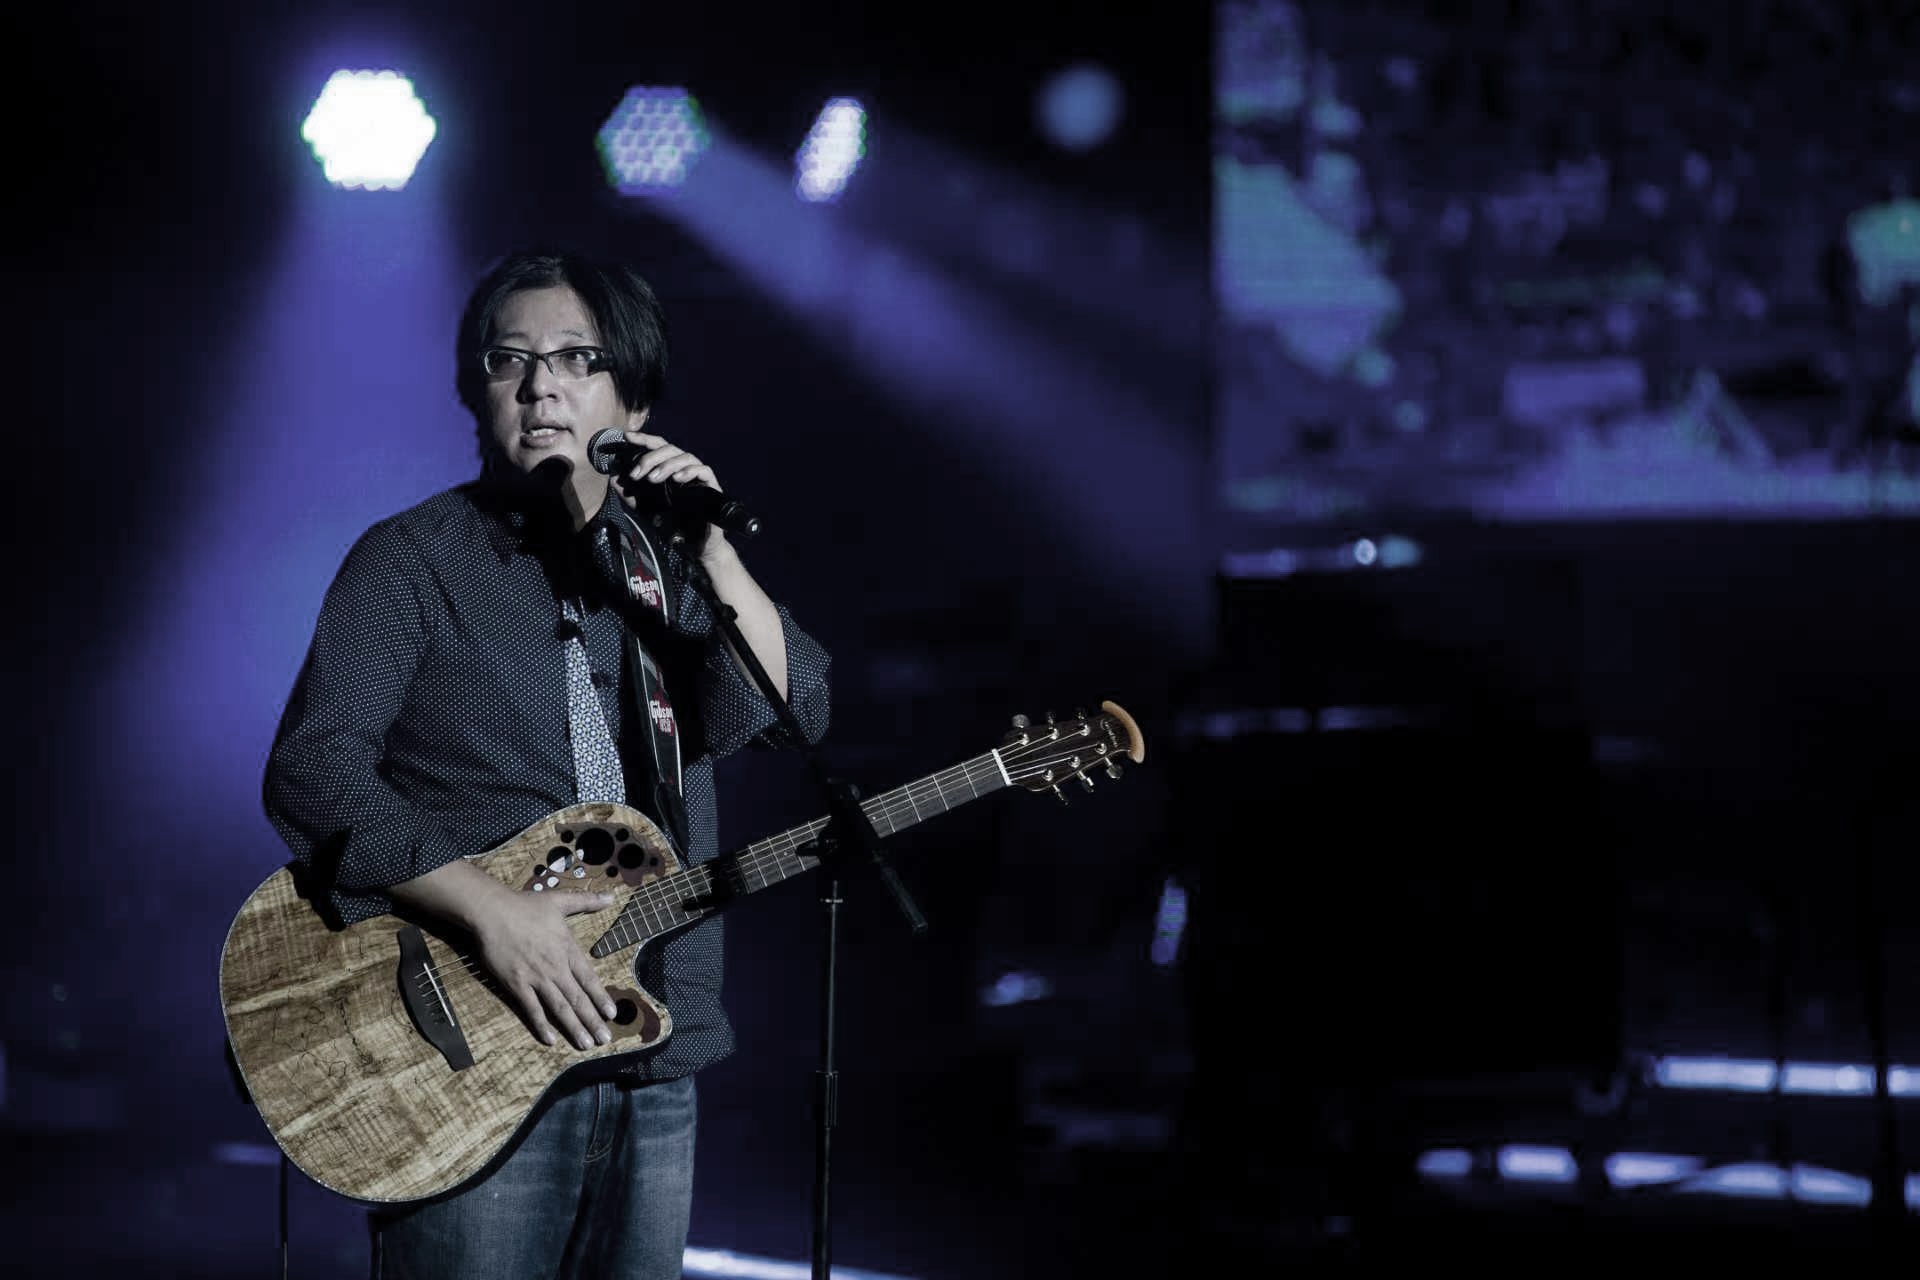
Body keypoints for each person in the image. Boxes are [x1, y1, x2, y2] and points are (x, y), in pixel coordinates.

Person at [262, 248, 832, 1279]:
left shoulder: (665, 569)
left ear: (634, 396)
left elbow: (798, 712)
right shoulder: (412, 560)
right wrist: (491, 907)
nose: (540, 387)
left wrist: (710, 546)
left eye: (577, 358)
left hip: (653, 1051)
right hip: (469, 1039)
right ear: (472, 391)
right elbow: (312, 769)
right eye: (508, 359)